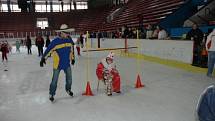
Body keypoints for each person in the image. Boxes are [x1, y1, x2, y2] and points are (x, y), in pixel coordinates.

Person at [40, 24, 75, 102]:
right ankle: (51, 93)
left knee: (69, 79)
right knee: (54, 81)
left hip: (66, 64)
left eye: (68, 33)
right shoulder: (55, 42)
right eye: (66, 33)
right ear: (61, 33)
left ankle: (68, 89)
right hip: (57, 65)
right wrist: (43, 59)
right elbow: (48, 50)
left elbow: (72, 50)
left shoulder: (69, 40)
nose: (68, 34)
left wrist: (73, 58)